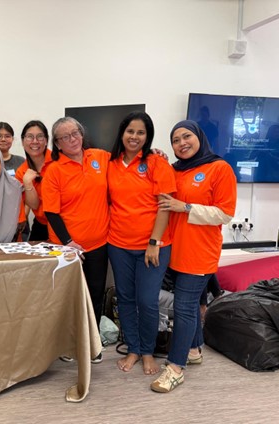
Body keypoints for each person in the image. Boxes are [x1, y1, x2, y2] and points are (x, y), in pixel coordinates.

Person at [151, 120, 236, 393]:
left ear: (199, 137)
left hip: (199, 251)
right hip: (175, 249)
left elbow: (225, 213)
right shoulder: (175, 170)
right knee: (192, 303)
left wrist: (186, 207)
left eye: (186, 136)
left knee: (184, 307)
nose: (181, 143)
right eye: (175, 140)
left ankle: (176, 368)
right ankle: (195, 350)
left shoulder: (219, 168)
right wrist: (159, 160)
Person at [107, 111, 176, 375]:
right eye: (130, 131)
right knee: (125, 298)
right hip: (118, 244)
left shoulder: (157, 163)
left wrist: (154, 242)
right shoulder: (111, 163)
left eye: (141, 132)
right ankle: (133, 349)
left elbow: (165, 206)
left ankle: (148, 351)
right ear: (122, 133)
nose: (134, 137)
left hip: (152, 246)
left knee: (147, 300)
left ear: (148, 137)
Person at [41, 116, 110, 364]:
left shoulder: (100, 157)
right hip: (68, 248)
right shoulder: (54, 170)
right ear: (57, 144)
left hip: (99, 244)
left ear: (82, 134)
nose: (72, 139)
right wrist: (69, 242)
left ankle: (93, 344)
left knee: (95, 295)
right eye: (65, 137)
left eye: (75, 133)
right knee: (68, 298)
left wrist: (153, 153)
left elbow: (128, 162)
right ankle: (68, 344)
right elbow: (51, 212)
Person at [15, 120, 53, 241]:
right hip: (42, 223)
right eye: (30, 137)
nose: (35, 141)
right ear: (23, 141)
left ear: (46, 140)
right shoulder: (22, 171)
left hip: (65, 223)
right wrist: (27, 183)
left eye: (40, 137)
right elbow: (34, 205)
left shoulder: (58, 161)